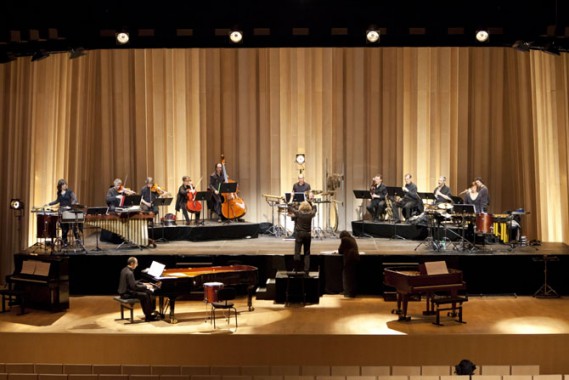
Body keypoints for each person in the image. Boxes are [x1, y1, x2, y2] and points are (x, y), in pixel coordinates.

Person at [117, 257, 159, 322]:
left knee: (146, 293)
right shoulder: (130, 273)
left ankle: (149, 313)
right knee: (145, 295)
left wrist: (143, 284)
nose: (137, 265)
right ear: (132, 263)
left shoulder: (124, 269)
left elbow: (131, 283)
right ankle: (148, 317)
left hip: (124, 291)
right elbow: (134, 287)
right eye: (136, 263)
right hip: (126, 294)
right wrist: (146, 286)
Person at [46, 179, 80, 248]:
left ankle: (78, 240)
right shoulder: (59, 193)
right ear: (61, 186)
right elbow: (57, 201)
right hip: (62, 211)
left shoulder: (69, 191)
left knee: (73, 226)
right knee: (64, 227)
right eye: (64, 184)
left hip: (69, 211)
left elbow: (75, 199)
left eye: (66, 184)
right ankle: (64, 242)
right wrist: (49, 204)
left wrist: (71, 205)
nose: (66, 185)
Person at [287, 201, 317, 273]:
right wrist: (312, 203)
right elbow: (315, 209)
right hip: (307, 234)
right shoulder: (311, 214)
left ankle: (297, 268)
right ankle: (306, 270)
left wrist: (291, 199)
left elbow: (290, 207)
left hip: (299, 234)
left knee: (297, 252)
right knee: (307, 253)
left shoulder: (298, 213)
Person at [337, 230, 360, 298]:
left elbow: (340, 250)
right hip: (356, 257)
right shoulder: (352, 238)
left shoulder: (344, 239)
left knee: (347, 276)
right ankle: (353, 292)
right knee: (353, 276)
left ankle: (347, 292)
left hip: (349, 258)